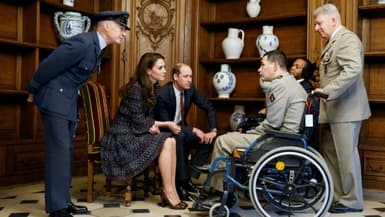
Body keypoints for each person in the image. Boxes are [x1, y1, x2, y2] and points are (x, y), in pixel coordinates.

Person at [26, 11, 129, 217]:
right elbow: (49, 65)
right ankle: (57, 209)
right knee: (59, 153)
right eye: (121, 28)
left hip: (67, 102)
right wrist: (32, 90)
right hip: (55, 100)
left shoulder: (97, 46)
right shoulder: (83, 43)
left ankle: (63, 202)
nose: (124, 33)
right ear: (106, 26)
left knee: (65, 154)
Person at [100, 52, 187, 210]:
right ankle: (168, 191)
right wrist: (160, 125)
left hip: (134, 131)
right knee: (167, 141)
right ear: (148, 70)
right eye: (160, 67)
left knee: (172, 140)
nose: (164, 71)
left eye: (164, 67)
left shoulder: (152, 87)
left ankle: (171, 189)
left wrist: (154, 125)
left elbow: (146, 118)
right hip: (121, 138)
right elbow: (139, 121)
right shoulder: (136, 89)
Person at [210, 50, 307, 191]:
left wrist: (249, 132)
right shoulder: (292, 83)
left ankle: (217, 191)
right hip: (291, 139)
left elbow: (273, 123)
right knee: (235, 137)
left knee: (222, 141)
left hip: (278, 141)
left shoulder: (279, 85)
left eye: (262, 65)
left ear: (275, 66)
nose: (259, 69)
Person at [313, 3, 371, 214]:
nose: (317, 28)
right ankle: (339, 196)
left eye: (319, 23)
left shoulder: (346, 39)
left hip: (346, 110)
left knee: (346, 156)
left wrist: (327, 91)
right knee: (332, 154)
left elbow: (353, 70)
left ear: (333, 20)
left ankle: (352, 200)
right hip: (333, 111)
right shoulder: (332, 42)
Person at [155, 63, 217, 200]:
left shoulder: (190, 90)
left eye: (191, 76)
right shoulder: (163, 94)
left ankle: (188, 178)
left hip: (182, 130)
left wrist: (213, 130)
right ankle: (180, 184)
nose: (189, 79)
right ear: (175, 77)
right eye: (186, 76)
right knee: (180, 138)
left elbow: (209, 107)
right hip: (165, 132)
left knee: (207, 141)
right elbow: (167, 125)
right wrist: (193, 129)